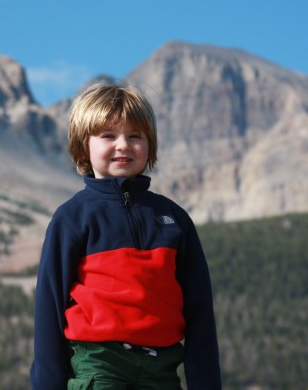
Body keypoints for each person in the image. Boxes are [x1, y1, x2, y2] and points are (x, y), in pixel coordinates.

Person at [30, 82, 221, 389]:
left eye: (135, 136)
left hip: (162, 370)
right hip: (100, 365)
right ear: (83, 146)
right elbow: (48, 310)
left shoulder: (176, 221)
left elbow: (200, 314)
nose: (123, 145)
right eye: (108, 136)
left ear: (150, 145)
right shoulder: (71, 218)